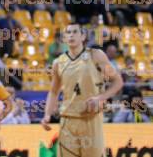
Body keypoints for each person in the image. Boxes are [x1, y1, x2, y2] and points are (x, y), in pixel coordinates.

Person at [42, 24, 124, 157]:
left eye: (75, 32)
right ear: (64, 39)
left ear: (83, 36)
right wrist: (47, 114)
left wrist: (100, 98)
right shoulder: (58, 62)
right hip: (67, 121)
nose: (71, 35)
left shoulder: (96, 55)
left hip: (90, 119)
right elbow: (53, 92)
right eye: (68, 33)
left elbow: (118, 81)